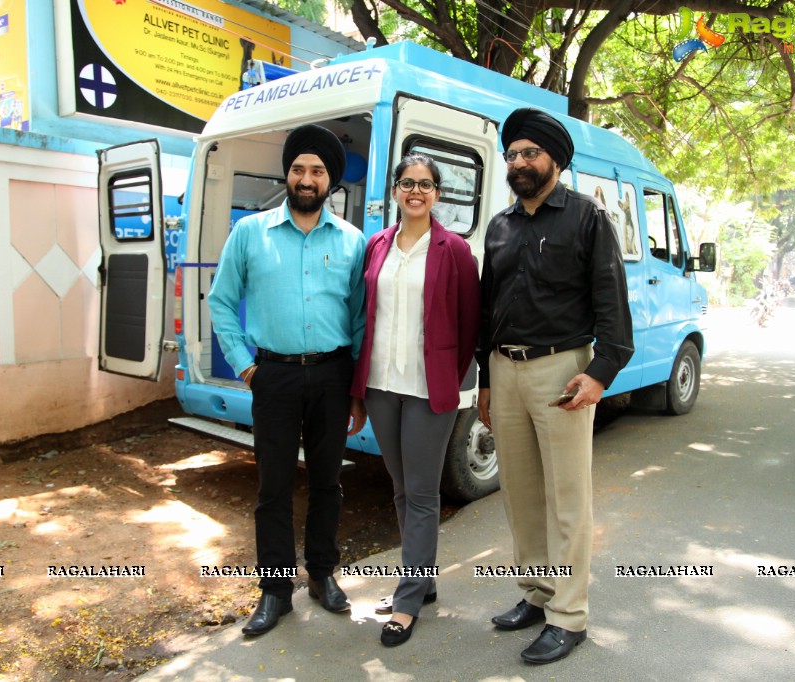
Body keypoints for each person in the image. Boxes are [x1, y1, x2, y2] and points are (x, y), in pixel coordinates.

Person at [476, 108, 634, 665]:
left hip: (562, 369)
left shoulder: (587, 219)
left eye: (530, 154)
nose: (519, 162)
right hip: (504, 367)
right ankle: (538, 594)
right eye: (513, 154)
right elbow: (486, 306)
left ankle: (569, 615)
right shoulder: (500, 225)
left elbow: (612, 302)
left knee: (567, 497)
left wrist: (601, 372)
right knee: (520, 494)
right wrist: (485, 380)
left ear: (555, 161)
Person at [208, 124, 367, 637]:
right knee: (272, 487)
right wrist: (245, 364)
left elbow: (361, 319)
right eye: (299, 168)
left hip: (332, 374)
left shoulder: (352, 242)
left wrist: (357, 388)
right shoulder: (250, 233)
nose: (306, 178)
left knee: (327, 483)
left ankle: (323, 575)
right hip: (272, 375)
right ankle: (276, 591)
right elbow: (221, 301)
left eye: (317, 170)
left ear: (330, 181)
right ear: (288, 174)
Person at [351, 153, 480, 647]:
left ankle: (407, 602)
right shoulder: (377, 245)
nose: (416, 191)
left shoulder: (454, 250)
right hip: (381, 385)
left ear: (437, 194)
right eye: (408, 183)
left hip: (429, 390)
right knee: (401, 488)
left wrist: (450, 375)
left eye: (425, 184)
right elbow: (365, 316)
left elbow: (470, 323)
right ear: (396, 190)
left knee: (423, 494)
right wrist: (357, 390)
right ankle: (420, 581)